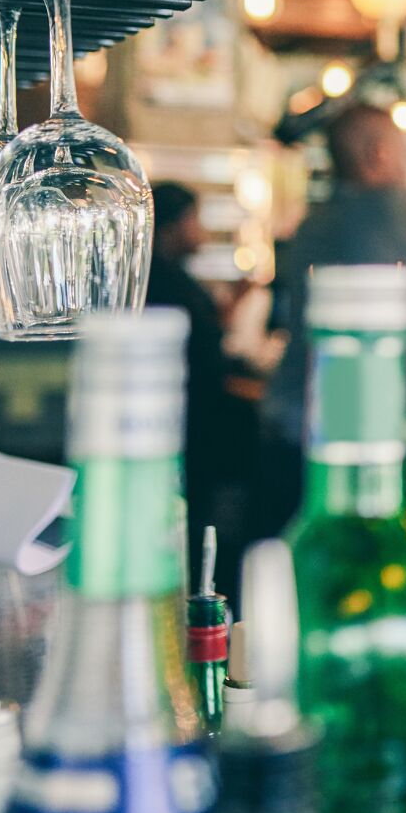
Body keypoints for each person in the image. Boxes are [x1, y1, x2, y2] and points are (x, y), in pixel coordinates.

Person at [258, 104, 406, 532]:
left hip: (286, 414)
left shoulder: (314, 219)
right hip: (350, 427)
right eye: (403, 147)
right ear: (381, 154)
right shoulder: (394, 206)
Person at [146, 182, 242, 585]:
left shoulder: (156, 275)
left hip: (182, 426)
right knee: (188, 527)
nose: (200, 231)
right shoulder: (165, 281)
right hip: (186, 428)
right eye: (194, 220)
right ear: (174, 224)